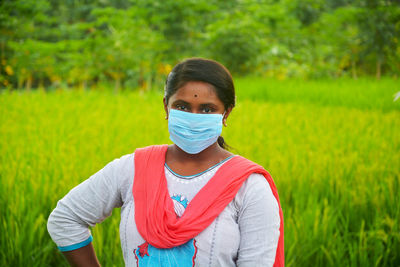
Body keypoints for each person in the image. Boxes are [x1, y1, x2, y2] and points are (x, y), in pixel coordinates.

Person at [47, 58, 284, 267]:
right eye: (182, 106)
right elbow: (66, 218)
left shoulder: (249, 187)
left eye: (207, 109)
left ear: (226, 114)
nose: (193, 117)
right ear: (166, 107)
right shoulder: (133, 169)